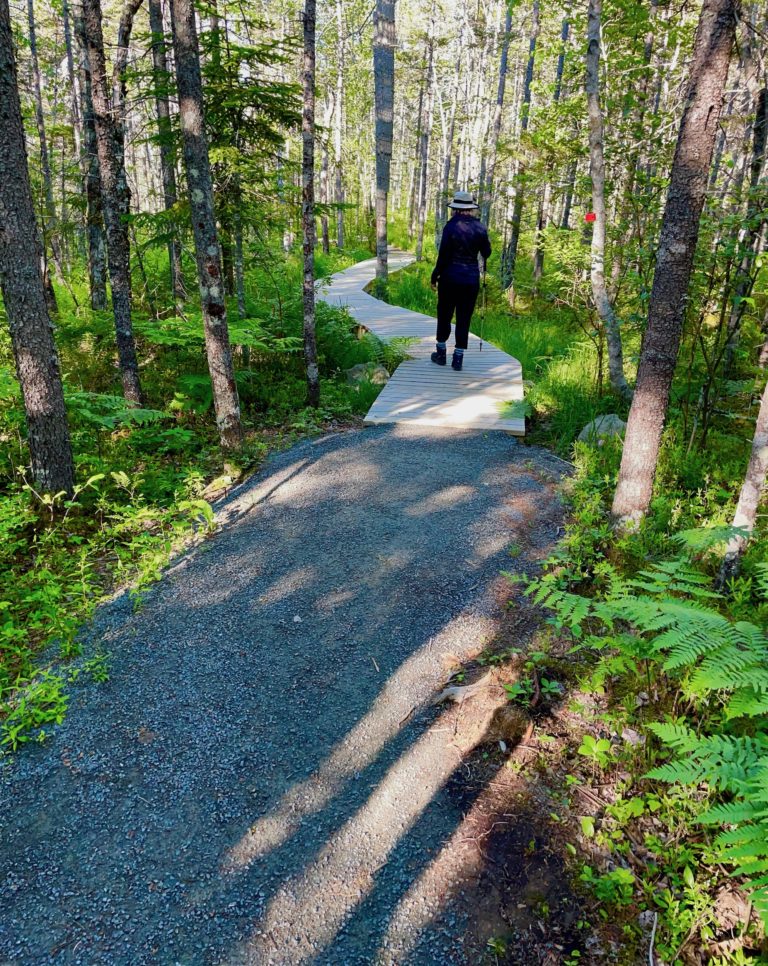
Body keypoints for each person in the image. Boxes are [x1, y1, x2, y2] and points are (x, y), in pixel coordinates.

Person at [430, 191, 491, 372]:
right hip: (470, 279)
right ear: (471, 209)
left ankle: (441, 354)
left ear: (455, 208)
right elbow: (487, 253)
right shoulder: (480, 228)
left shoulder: (450, 227)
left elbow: (443, 256)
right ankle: (458, 358)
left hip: (449, 278)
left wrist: (435, 276)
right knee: (464, 317)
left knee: (445, 314)